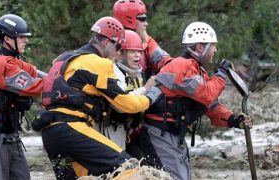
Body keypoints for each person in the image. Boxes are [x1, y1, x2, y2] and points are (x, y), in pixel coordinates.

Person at [39, 17, 161, 179]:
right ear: (106, 42)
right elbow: (126, 104)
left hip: (50, 133)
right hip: (71, 128)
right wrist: (151, 95)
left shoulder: (63, 58)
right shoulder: (98, 63)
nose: (118, 52)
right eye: (118, 46)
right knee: (129, 167)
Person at [138, 21, 253, 180]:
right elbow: (207, 94)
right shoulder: (182, 67)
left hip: (172, 136)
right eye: (213, 45)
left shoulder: (196, 70)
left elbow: (211, 106)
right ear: (200, 47)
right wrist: (222, 73)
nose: (215, 50)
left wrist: (234, 119)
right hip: (159, 134)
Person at [0, 14, 45, 180]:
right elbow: (32, 85)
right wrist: (57, 86)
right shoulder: (0, 63)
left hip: (10, 134)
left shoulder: (14, 62)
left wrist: (61, 77)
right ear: (6, 38)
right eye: (21, 37)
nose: (25, 41)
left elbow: (38, 74)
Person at [94, 30, 156, 150]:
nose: (138, 55)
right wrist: (146, 89)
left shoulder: (136, 74)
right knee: (115, 166)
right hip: (110, 127)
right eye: (132, 51)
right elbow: (120, 105)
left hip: (125, 129)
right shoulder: (113, 71)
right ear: (119, 53)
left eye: (139, 51)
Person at [113, 0, 172, 79]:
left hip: (143, 88)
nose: (146, 23)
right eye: (142, 19)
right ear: (129, 19)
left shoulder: (147, 41)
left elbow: (166, 62)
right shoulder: (110, 44)